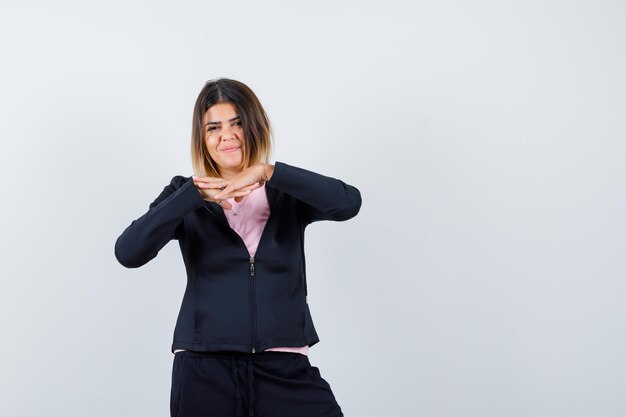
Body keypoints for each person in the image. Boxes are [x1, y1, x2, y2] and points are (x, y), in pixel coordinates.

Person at [114, 78, 362, 417]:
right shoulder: (182, 195)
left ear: (254, 126)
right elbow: (129, 252)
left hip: (284, 366)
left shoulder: (286, 194)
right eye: (213, 127)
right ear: (202, 139)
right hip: (204, 369)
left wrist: (269, 173)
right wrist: (190, 196)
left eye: (237, 123)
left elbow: (348, 203)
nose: (226, 135)